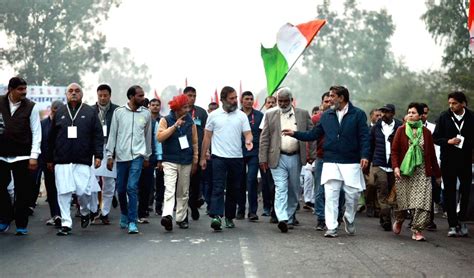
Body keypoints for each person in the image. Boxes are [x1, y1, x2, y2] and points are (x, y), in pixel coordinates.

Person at [283, 86, 370, 238]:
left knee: (352, 194)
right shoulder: (326, 115)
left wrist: (365, 155)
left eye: (332, 96)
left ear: (342, 98)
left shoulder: (358, 114)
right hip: (330, 160)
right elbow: (314, 134)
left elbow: (364, 137)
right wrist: (295, 134)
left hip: (351, 161)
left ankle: (349, 217)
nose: (329, 99)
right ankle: (332, 227)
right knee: (331, 194)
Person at [47, 83, 103, 236]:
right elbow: (51, 137)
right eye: (70, 91)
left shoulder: (90, 112)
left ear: (82, 94)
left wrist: (98, 155)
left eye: (77, 91)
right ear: (66, 94)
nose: (73, 93)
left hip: (82, 158)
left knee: (83, 191)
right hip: (62, 159)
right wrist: (49, 158)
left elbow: (97, 135)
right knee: (63, 192)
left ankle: (85, 211)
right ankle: (66, 223)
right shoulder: (60, 113)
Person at [259, 87, 314, 233]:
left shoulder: (302, 114)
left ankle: (289, 217)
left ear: (291, 100)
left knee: (294, 189)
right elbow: (264, 138)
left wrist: (311, 153)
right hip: (277, 157)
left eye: (285, 101)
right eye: (280, 101)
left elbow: (312, 134)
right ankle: (282, 217)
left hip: (296, 156)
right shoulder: (270, 115)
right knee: (281, 187)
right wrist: (262, 158)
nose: (282, 104)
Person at [200, 86, 252, 231]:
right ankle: (216, 216)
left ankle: (229, 217)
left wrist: (248, 141)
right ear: (223, 100)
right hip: (218, 158)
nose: (235, 101)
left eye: (236, 98)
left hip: (236, 158)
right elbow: (207, 137)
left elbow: (248, 133)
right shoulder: (213, 115)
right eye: (231, 98)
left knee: (233, 188)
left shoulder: (241, 116)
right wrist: (203, 157)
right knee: (217, 186)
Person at [391, 102, 441, 241]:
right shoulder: (401, 130)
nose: (410, 115)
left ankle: (417, 230)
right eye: (409, 112)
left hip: (422, 172)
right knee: (403, 201)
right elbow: (394, 151)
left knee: (422, 202)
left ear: (420, 116)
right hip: (404, 171)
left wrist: (437, 174)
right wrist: (395, 167)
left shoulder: (427, 133)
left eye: (413, 113)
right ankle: (400, 219)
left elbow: (431, 154)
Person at [106, 85, 152, 234]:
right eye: (139, 96)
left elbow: (147, 136)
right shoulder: (119, 112)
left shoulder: (146, 114)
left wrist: (147, 156)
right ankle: (124, 213)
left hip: (137, 156)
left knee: (132, 187)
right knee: (121, 188)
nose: (143, 98)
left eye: (143, 95)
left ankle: (133, 221)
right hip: (121, 156)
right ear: (131, 97)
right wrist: (109, 155)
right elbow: (113, 135)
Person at [0, 77, 41, 235]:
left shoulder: (31, 107)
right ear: (10, 89)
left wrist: (34, 156)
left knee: (23, 191)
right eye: (20, 89)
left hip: (23, 156)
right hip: (1, 155)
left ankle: (21, 223)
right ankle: (5, 217)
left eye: (25, 89)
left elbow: (37, 133)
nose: (24, 92)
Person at [433, 92, 474, 237]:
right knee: (449, 192)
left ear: (463, 103)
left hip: (466, 161)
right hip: (448, 161)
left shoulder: (471, 117)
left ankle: (462, 220)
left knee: (465, 191)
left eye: (454, 103)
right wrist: (448, 141)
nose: (451, 106)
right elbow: (435, 138)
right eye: (449, 103)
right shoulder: (444, 117)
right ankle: (452, 224)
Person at [157, 94, 198, 230]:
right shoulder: (165, 120)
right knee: (170, 188)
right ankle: (167, 215)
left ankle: (181, 218)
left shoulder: (191, 122)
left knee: (183, 191)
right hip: (170, 160)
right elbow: (160, 137)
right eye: (184, 107)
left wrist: (195, 159)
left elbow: (194, 142)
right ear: (176, 108)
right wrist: (174, 126)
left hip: (186, 160)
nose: (187, 110)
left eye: (188, 107)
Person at [369, 104, 402, 231]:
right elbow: (370, 145)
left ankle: (384, 217)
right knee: (382, 190)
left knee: (393, 193)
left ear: (393, 113)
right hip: (379, 163)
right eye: (382, 112)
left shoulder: (399, 126)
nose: (383, 114)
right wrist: (368, 161)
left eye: (386, 112)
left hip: (395, 165)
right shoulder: (375, 127)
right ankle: (387, 220)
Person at [92, 84, 119, 225]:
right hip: (94, 150)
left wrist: (114, 152)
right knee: (92, 181)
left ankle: (105, 212)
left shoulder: (117, 111)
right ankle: (94, 208)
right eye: (100, 95)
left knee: (109, 182)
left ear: (110, 96)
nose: (102, 98)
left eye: (105, 95)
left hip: (110, 149)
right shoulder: (90, 110)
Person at [236, 91, 263, 221]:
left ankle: (253, 211)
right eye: (246, 99)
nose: (249, 101)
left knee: (251, 180)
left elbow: (263, 134)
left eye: (251, 99)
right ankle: (240, 209)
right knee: (240, 181)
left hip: (254, 152)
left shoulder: (259, 115)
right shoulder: (235, 115)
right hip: (238, 151)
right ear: (241, 100)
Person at [183, 86, 208, 221]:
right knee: (182, 184)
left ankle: (193, 205)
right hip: (182, 154)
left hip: (197, 154)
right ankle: (183, 211)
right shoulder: (178, 111)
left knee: (195, 183)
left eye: (194, 95)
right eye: (189, 95)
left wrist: (206, 152)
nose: (192, 98)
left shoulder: (201, 113)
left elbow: (206, 133)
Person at [137, 98, 162, 223]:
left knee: (146, 186)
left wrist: (159, 158)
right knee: (131, 187)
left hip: (148, 158)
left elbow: (157, 142)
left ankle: (142, 211)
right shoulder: (128, 119)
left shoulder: (154, 122)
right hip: (130, 157)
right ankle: (130, 213)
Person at [39, 100, 64, 227]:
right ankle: (55, 215)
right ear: (51, 110)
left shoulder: (64, 123)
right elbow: (41, 142)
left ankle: (61, 214)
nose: (56, 114)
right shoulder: (42, 124)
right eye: (55, 111)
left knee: (62, 189)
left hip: (62, 162)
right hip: (46, 162)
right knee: (51, 189)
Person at [420, 103, 442, 231]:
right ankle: (415, 219)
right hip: (415, 166)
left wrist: (437, 166)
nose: (423, 115)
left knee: (431, 193)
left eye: (425, 113)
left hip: (431, 165)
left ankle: (429, 220)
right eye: (421, 113)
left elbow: (436, 148)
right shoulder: (407, 128)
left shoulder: (433, 128)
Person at [259, 95, 278, 220]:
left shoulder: (278, 116)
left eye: (273, 102)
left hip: (278, 154)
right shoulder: (265, 116)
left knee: (276, 184)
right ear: (265, 105)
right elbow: (263, 137)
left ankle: (276, 210)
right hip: (266, 154)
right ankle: (267, 206)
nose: (271, 104)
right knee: (266, 183)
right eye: (268, 103)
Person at [148, 99, 165, 216]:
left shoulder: (164, 120)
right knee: (147, 182)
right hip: (147, 154)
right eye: (153, 105)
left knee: (160, 182)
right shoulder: (145, 119)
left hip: (160, 155)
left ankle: (159, 206)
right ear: (149, 106)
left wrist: (161, 158)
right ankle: (147, 205)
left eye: (157, 105)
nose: (155, 107)